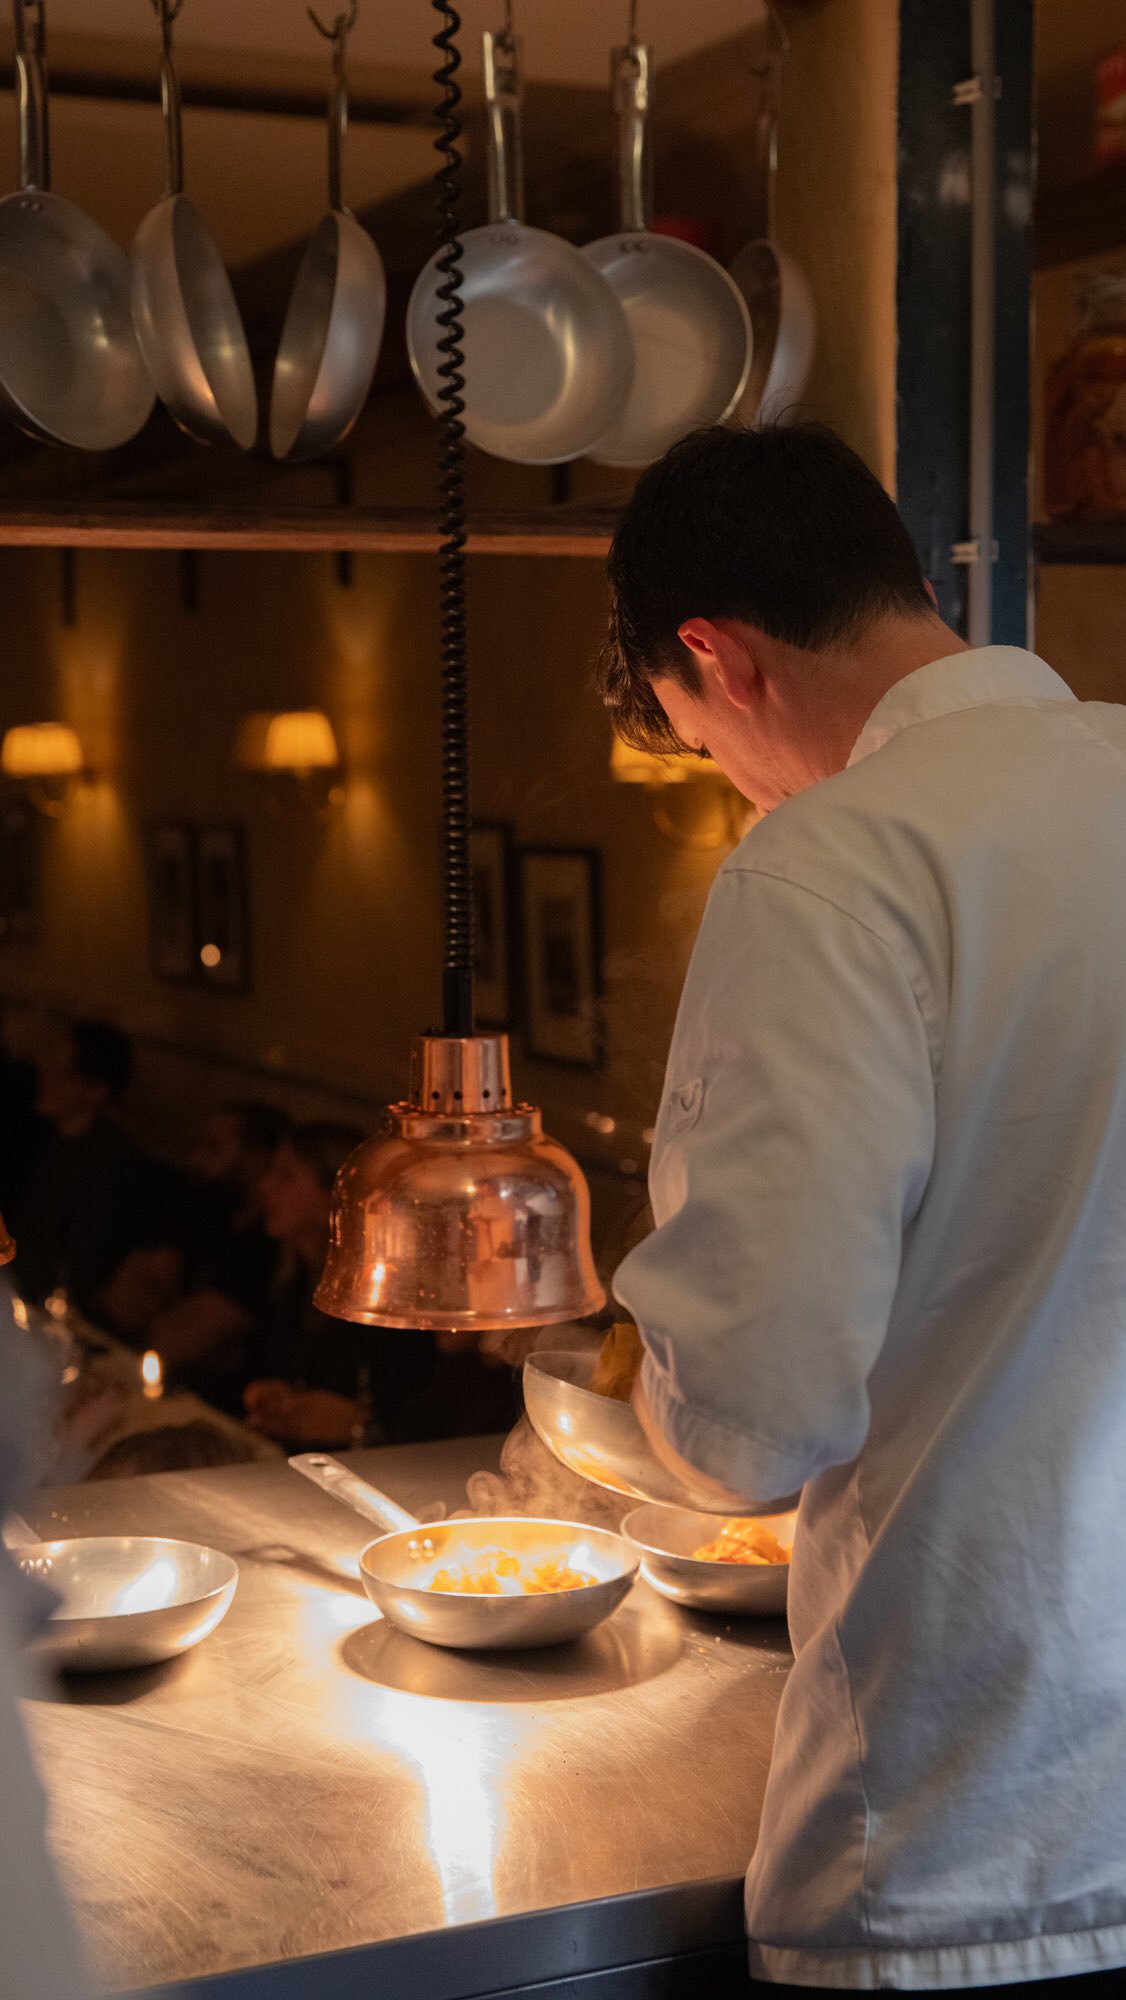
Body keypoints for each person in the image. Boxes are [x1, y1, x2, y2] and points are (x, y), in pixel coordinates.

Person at [597, 422, 1126, 1993]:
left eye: (694, 737)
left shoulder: (828, 866)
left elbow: (753, 1421)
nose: (725, 777)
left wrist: (662, 1359)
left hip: (975, 1839)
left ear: (718, 656)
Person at [244, 1123, 432, 1451]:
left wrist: (360, 1426)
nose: (264, 1186)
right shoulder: (296, 1278)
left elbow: (411, 1422)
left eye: (285, 1176)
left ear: (337, 1197)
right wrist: (283, 1400)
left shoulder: (385, 1300)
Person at [102, 1101, 288, 1412]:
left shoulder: (266, 1248)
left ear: (256, 1161)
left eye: (213, 1149)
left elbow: (175, 1341)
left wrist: (159, 1302)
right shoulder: (204, 1208)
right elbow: (119, 1300)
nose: (196, 1159)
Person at [13, 1019, 159, 1318]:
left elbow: (80, 1266)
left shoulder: (110, 1163)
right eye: (47, 1065)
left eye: (61, 1073)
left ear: (96, 1090)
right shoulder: (53, 1140)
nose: (45, 1077)